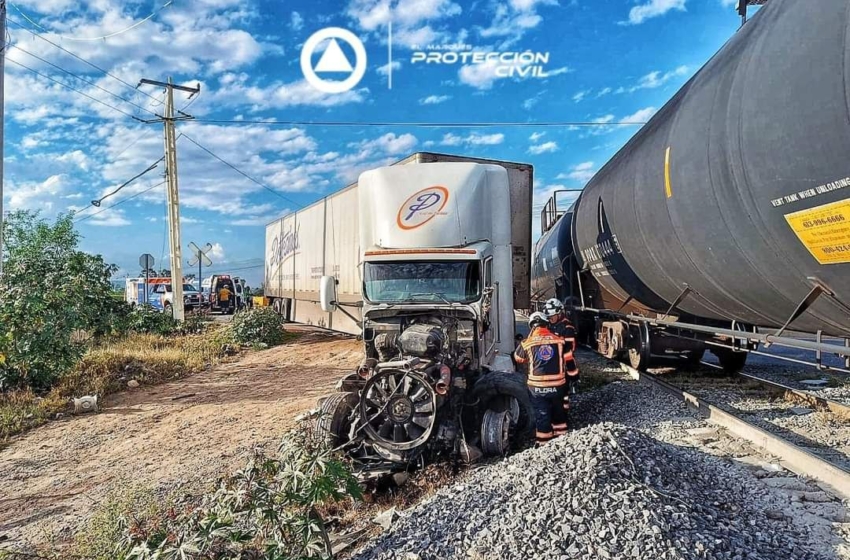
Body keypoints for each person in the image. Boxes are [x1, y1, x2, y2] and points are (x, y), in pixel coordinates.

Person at [513, 312, 580, 445]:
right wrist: (574, 377)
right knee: (559, 414)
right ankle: (562, 443)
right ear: (547, 324)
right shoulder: (560, 341)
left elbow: (518, 358)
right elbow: (569, 361)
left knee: (542, 415)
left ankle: (544, 445)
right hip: (558, 387)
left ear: (531, 326)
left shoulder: (527, 343)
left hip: (536, 389)